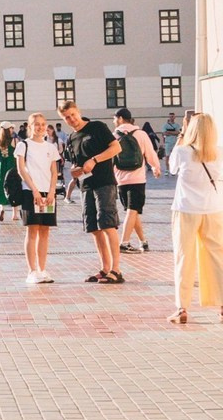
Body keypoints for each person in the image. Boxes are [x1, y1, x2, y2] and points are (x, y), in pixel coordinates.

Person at [167, 111, 223, 324]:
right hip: (214, 210)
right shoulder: (219, 152)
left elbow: (171, 168)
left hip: (186, 210)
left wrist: (182, 130)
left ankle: (182, 308)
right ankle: (222, 306)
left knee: (184, 258)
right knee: (217, 258)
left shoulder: (182, 151)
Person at [60, 100, 123, 284]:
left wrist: (95, 160)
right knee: (94, 229)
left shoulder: (97, 127)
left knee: (108, 224)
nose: (71, 119)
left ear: (78, 111)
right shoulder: (71, 138)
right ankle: (104, 268)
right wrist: (74, 170)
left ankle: (116, 269)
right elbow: (76, 162)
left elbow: (116, 148)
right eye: (67, 118)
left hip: (104, 182)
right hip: (86, 185)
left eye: (73, 114)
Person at [14, 113, 60, 284]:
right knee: (32, 230)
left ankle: (42, 269)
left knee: (45, 231)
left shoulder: (51, 147)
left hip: (48, 193)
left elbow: (54, 172)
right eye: (36, 124)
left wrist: (51, 192)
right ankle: (32, 270)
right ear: (30, 126)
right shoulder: (23, 145)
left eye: (43, 124)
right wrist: (34, 190)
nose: (40, 127)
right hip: (30, 192)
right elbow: (21, 170)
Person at [113, 110, 161, 255]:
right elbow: (150, 153)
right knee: (132, 211)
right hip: (137, 178)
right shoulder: (141, 134)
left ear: (120, 119)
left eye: (115, 118)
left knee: (131, 211)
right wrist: (155, 167)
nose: (114, 121)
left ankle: (143, 241)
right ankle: (124, 243)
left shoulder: (114, 135)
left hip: (120, 178)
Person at [0, 124, 19, 223]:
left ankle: (2, 208)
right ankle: (15, 214)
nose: (12, 130)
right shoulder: (15, 140)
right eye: (11, 128)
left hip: (1, 167)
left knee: (1, 186)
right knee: (13, 187)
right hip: (12, 166)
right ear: (9, 130)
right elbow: (18, 154)